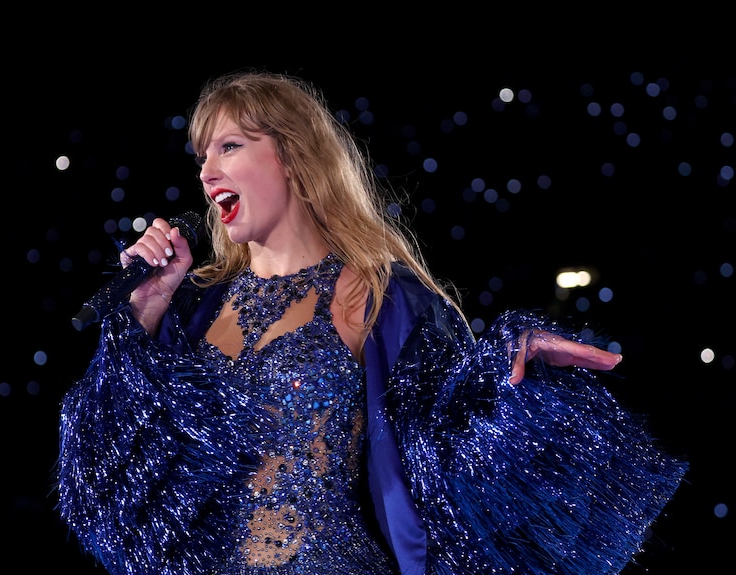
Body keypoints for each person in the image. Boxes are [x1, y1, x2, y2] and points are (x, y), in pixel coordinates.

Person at [56, 70, 687, 575]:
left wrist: (510, 373)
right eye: (201, 156)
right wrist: (145, 310)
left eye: (230, 146)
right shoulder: (193, 311)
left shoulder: (379, 295)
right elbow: (106, 478)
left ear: (294, 158)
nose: (206, 171)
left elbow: (450, 434)